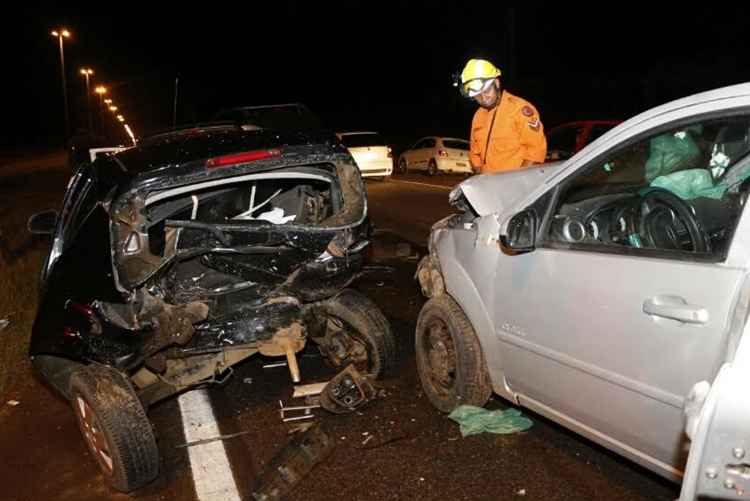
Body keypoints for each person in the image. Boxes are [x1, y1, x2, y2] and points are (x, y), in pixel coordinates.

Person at [457, 58, 547, 174]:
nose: (484, 98)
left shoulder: (519, 109)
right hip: (488, 186)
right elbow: (475, 155)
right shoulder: (478, 116)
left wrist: (516, 181)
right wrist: (481, 180)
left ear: (497, 83)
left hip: (517, 186)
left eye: (487, 90)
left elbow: (536, 151)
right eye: (478, 95)